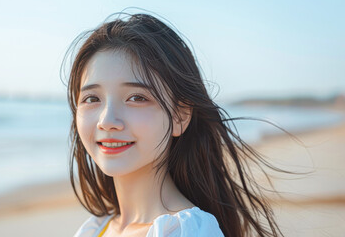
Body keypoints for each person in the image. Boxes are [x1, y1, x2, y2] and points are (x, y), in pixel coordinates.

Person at [63, 12, 293, 237]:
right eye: (92, 99)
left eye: (137, 98)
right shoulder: (95, 229)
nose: (107, 121)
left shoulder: (189, 231)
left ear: (180, 116)